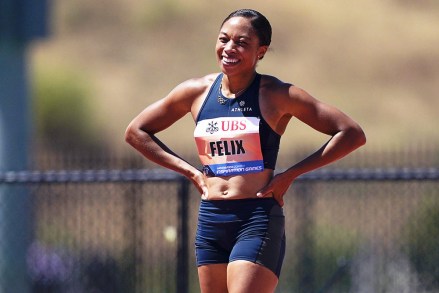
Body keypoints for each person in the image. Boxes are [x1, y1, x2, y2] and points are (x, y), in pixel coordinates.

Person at [125, 8, 366, 293]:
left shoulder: (275, 94)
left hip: (256, 217)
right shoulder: (197, 92)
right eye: (224, 39)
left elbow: (351, 133)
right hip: (211, 218)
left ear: (260, 52)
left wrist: (290, 175)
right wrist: (189, 171)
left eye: (241, 42)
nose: (229, 48)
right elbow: (136, 132)